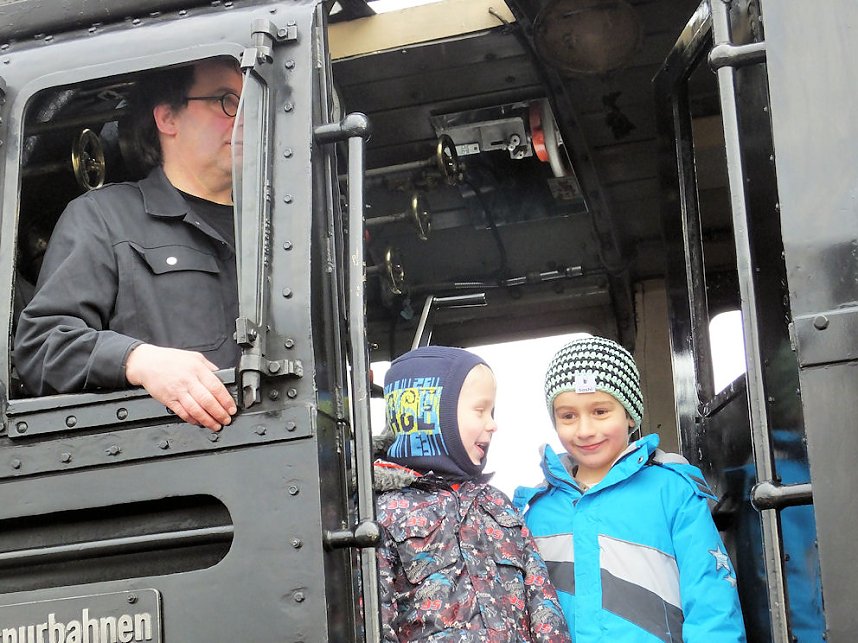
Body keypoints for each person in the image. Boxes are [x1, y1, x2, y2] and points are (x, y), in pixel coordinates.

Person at [14, 57, 242, 431]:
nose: (244, 117)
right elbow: (42, 346)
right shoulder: (103, 218)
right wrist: (140, 361)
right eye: (226, 100)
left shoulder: (277, 228)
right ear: (168, 118)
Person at [514, 336, 746, 642]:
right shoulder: (535, 511)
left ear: (630, 414)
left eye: (600, 412)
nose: (584, 430)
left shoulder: (673, 492)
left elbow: (711, 604)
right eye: (568, 416)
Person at [374, 346, 572, 642]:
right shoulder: (383, 513)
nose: (493, 424)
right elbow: (376, 623)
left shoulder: (498, 506)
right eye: (480, 410)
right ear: (428, 413)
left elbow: (543, 606)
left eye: (491, 411)